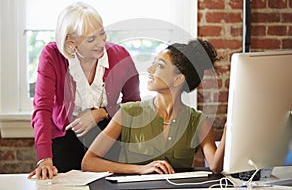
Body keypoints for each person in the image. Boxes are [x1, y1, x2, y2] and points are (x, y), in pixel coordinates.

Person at [27, 2, 141, 180]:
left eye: (102, 33)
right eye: (91, 39)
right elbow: (42, 109)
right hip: (65, 136)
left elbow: (134, 105)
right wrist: (44, 158)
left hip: (107, 135)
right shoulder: (52, 55)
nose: (101, 43)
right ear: (71, 43)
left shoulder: (120, 56)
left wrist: (101, 113)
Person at [81, 39, 226, 175]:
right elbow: (88, 162)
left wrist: (229, 129)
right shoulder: (128, 112)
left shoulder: (198, 121)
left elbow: (215, 166)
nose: (150, 69)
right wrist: (140, 169)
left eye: (160, 65)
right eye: (153, 63)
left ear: (178, 79)